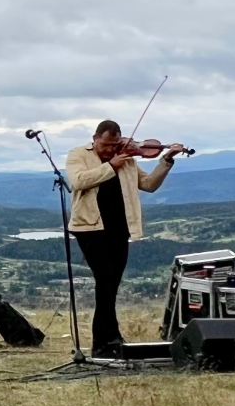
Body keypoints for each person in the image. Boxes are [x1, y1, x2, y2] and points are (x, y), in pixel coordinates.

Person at [67, 121, 186, 358]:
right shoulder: (78, 155)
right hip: (89, 227)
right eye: (106, 144)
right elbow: (78, 181)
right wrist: (111, 166)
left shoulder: (128, 160)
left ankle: (105, 342)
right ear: (95, 138)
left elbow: (149, 185)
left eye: (115, 145)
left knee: (111, 284)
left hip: (119, 229)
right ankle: (109, 338)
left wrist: (167, 160)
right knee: (106, 278)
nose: (111, 149)